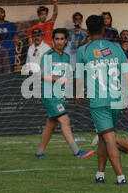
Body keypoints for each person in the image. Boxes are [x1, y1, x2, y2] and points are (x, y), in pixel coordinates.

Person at [76, 15, 128, 185]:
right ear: (103, 29)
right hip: (117, 99)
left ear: (87, 30)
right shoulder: (116, 48)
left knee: (109, 138)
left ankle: (121, 178)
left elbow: (78, 78)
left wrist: (77, 95)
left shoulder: (83, 50)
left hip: (99, 102)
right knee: (103, 135)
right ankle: (100, 174)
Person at [35, 28, 94, 159]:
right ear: (53, 40)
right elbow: (42, 75)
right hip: (50, 95)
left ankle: (39, 153)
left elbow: (67, 78)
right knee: (65, 120)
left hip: (59, 95)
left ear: (66, 40)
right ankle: (77, 152)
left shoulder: (67, 57)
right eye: (57, 39)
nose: (59, 41)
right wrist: (58, 79)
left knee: (51, 124)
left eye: (62, 39)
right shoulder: (48, 56)